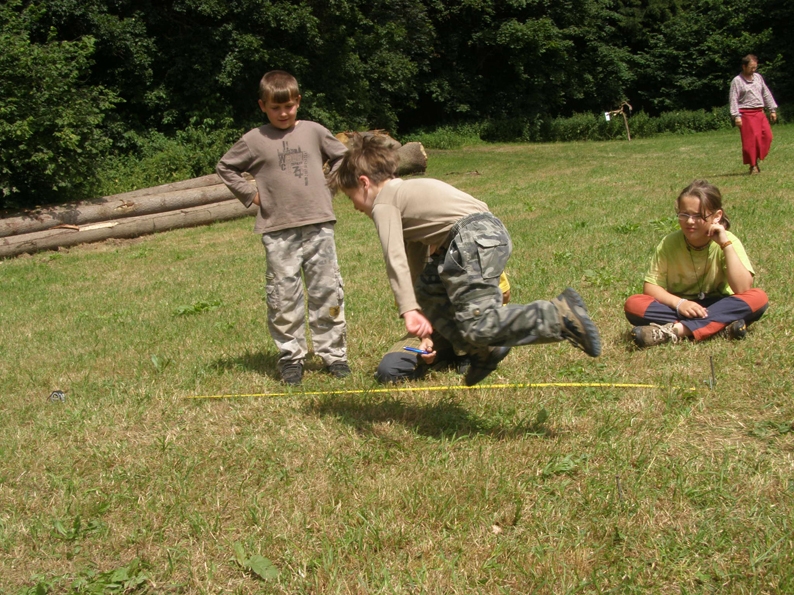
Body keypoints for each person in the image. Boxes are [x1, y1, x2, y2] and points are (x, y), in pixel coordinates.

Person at [329, 134, 601, 387]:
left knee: (479, 323)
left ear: (364, 183)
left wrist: (408, 310)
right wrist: (420, 314)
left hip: (469, 238)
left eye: (352, 198)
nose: (355, 206)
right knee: (428, 289)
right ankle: (483, 351)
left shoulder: (384, 202)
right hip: (478, 235)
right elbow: (414, 264)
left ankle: (558, 316)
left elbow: (394, 257)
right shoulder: (405, 193)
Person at [216, 70, 350, 385]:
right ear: (263, 106)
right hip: (277, 229)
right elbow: (225, 166)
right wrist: (251, 195)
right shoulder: (254, 140)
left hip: (318, 225)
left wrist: (329, 184)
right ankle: (291, 357)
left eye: (288, 106)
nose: (283, 113)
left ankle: (334, 355)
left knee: (327, 290)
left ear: (298, 101)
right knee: (283, 296)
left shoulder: (314, 131)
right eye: (275, 108)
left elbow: (342, 156)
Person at [624, 180, 768, 348]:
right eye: (684, 214)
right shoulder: (669, 243)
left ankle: (675, 331)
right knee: (634, 304)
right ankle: (720, 326)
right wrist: (680, 304)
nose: (690, 221)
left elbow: (743, 289)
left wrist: (725, 245)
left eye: (698, 216)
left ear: (717, 216)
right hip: (679, 307)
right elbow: (650, 287)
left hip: (720, 303)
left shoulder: (729, 241)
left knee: (759, 297)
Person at [376, 273, 511, 383]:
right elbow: (411, 309)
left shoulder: (477, 253)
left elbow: (504, 295)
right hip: (433, 328)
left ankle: (467, 353)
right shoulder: (407, 262)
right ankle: (447, 356)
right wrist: (425, 336)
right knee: (388, 372)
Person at [729, 54, 778, 175]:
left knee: (767, 136)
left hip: (759, 112)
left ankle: (757, 158)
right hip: (746, 114)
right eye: (751, 67)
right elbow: (733, 99)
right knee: (751, 141)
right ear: (744, 66)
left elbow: (766, 93)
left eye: (755, 67)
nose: (754, 70)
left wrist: (772, 109)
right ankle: (753, 165)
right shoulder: (737, 81)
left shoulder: (758, 77)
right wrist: (736, 116)